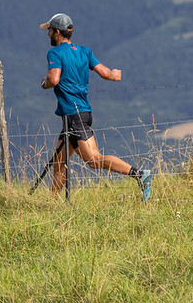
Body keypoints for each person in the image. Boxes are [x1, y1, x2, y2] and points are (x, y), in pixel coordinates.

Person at [39, 13, 153, 201]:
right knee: (59, 162)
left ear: (57, 32)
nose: (48, 33)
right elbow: (105, 73)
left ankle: (140, 174)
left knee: (94, 160)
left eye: (49, 30)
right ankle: (51, 204)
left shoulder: (55, 53)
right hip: (80, 113)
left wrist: (45, 84)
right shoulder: (85, 51)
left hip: (74, 115)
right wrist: (114, 75)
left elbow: (54, 79)